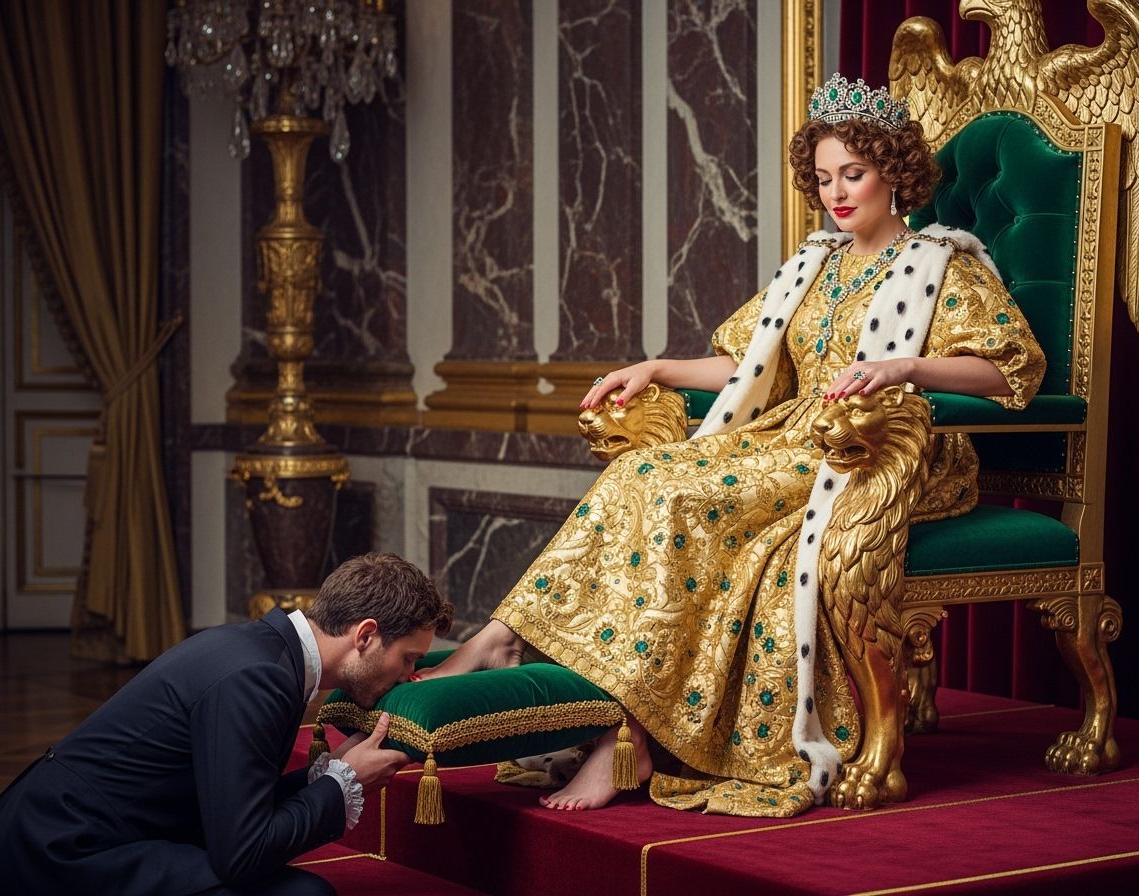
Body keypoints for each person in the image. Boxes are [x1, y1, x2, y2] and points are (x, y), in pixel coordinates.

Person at [420, 74, 1045, 817]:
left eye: (853, 174)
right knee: (641, 474)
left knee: (682, 497)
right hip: (790, 437)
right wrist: (655, 367)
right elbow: (747, 368)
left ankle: (624, 736)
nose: (837, 194)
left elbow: (1009, 370)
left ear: (892, 172)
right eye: (824, 178)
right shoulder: (814, 265)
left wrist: (905, 367)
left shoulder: (942, 263)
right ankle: (510, 642)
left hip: (880, 449)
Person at [0, 552, 454, 895]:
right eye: (408, 658)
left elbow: (233, 805)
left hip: (86, 829)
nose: (409, 674)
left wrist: (325, 774)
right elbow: (242, 854)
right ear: (366, 635)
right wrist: (342, 784)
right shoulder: (259, 678)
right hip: (63, 851)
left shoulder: (269, 654)